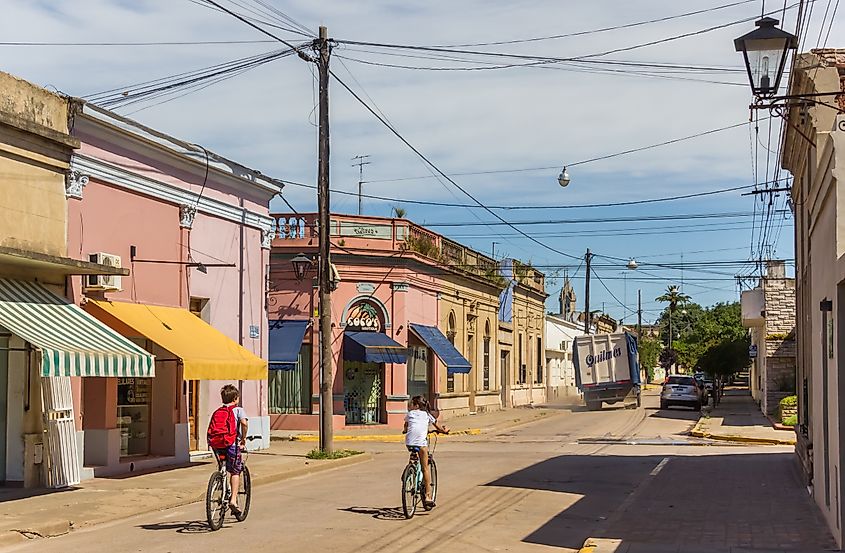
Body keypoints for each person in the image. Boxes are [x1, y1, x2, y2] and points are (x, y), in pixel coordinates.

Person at [207, 384, 249, 515]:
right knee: (235, 471)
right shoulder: (238, 410)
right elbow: (244, 423)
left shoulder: (217, 412)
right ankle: (233, 500)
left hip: (216, 444)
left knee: (222, 465)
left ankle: (221, 478)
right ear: (236, 398)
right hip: (231, 443)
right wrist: (243, 438)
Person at [403, 395, 448, 510]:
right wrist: (444, 431)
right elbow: (438, 427)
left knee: (413, 452)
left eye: (412, 403)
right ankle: (428, 496)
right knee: (425, 468)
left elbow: (407, 427)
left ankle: (408, 471)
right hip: (421, 443)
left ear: (416, 405)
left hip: (409, 442)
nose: (410, 405)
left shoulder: (410, 414)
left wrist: (405, 431)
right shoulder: (427, 415)